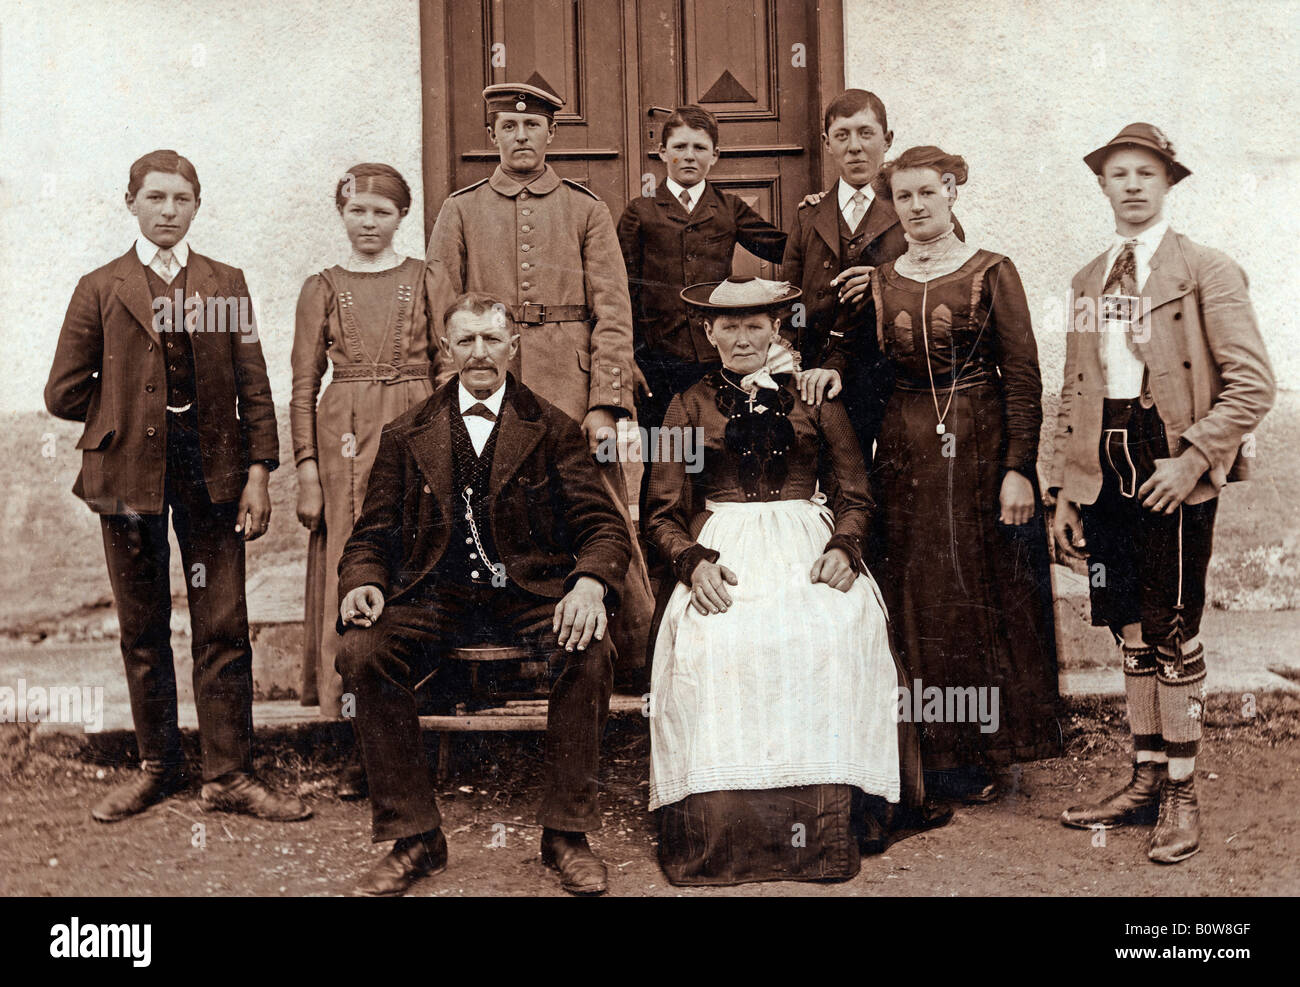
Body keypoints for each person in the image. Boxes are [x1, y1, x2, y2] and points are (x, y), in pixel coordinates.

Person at [335, 293, 632, 897]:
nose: (479, 354)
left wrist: (589, 582)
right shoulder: (406, 433)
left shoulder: (553, 428)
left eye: (492, 340)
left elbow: (602, 527)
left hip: (529, 593)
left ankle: (566, 834)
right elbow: (372, 534)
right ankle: (415, 836)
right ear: (446, 349)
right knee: (363, 653)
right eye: (466, 341)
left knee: (590, 650)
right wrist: (363, 582)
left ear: (513, 347)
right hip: (436, 596)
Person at [44, 149, 309, 823]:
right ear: (129, 201)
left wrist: (259, 473)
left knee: (223, 623)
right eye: (154, 197)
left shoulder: (225, 284)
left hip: (213, 474)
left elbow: (255, 383)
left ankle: (229, 773)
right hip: (125, 474)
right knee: (143, 626)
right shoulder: (100, 287)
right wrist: (128, 415)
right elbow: (62, 391)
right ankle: (157, 767)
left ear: (197, 205)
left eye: (180, 199)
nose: (167, 211)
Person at [644, 277, 927, 887]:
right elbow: (662, 511)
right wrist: (692, 563)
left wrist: (845, 547)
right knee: (716, 643)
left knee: (831, 628)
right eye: (729, 326)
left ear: (777, 328)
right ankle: (723, 833)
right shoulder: (684, 404)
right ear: (708, 331)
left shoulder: (816, 396)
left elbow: (856, 493)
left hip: (808, 543)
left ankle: (830, 827)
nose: (742, 336)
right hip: (724, 546)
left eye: (755, 325)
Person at [806, 146, 1062, 802]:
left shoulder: (992, 271)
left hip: (979, 444)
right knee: (919, 590)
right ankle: (929, 750)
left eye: (927, 193)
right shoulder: (882, 277)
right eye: (905, 196)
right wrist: (831, 367)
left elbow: (1025, 376)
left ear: (951, 191)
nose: (916, 207)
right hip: (905, 451)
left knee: (976, 586)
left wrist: (1018, 470)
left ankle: (986, 752)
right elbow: (854, 351)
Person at [1054, 124, 1274, 863]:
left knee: (1173, 629)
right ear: (1103, 186)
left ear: (1168, 183)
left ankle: (1183, 790)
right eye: (1119, 173)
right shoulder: (1088, 280)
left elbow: (1253, 385)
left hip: (1169, 464)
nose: (1133, 184)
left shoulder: (1205, 270)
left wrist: (1194, 460)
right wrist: (1064, 489)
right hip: (1103, 468)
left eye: (1147, 172)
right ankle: (1145, 777)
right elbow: (1073, 389)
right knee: (1129, 629)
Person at [425, 80, 654, 668]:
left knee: (596, 508)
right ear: (493, 135)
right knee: (486, 504)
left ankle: (631, 655)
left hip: (569, 386)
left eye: (531, 127)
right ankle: (493, 657)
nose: (520, 136)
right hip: (486, 379)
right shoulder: (460, 208)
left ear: (551, 133)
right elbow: (439, 308)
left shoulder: (585, 207)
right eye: (508, 127)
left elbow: (613, 311)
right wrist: (447, 391)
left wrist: (605, 401)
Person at [290, 163, 432, 799]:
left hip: (416, 420)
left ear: (402, 216)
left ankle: (425, 732)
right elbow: (300, 386)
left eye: (382, 211)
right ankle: (358, 743)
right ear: (341, 215)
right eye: (357, 211)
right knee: (356, 571)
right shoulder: (321, 287)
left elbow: (454, 363)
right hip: (342, 438)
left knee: (419, 564)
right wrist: (307, 472)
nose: (368, 223)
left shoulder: (426, 279)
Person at [782, 90, 962, 460]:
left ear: (888, 140)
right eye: (842, 135)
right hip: (825, 379)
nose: (855, 148)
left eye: (866, 133)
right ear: (826, 143)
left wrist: (882, 279)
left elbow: (948, 283)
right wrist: (790, 364)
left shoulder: (917, 207)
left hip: (898, 378)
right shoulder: (808, 214)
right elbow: (791, 298)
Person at [617, 104, 787, 443]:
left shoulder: (728, 207)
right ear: (662, 152)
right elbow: (621, 289)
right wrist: (629, 357)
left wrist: (815, 215)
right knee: (662, 456)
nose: (689, 156)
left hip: (717, 357)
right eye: (680, 147)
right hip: (656, 361)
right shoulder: (641, 210)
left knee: (718, 449)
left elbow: (785, 250)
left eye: (700, 148)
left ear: (715, 155)